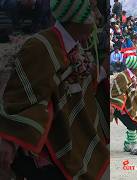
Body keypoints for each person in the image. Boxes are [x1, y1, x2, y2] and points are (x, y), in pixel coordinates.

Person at [0, 0, 109, 179]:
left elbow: (84, 84)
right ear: (77, 15)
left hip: (72, 142)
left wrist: (102, 71)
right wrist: (10, 141)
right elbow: (21, 99)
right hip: (47, 155)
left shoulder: (75, 45)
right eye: (92, 9)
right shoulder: (40, 47)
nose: (98, 16)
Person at [110, 56, 137, 155]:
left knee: (136, 127)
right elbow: (116, 91)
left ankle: (127, 145)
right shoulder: (122, 76)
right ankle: (134, 147)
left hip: (128, 106)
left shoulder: (135, 76)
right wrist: (129, 89)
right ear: (134, 66)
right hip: (119, 106)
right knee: (132, 125)